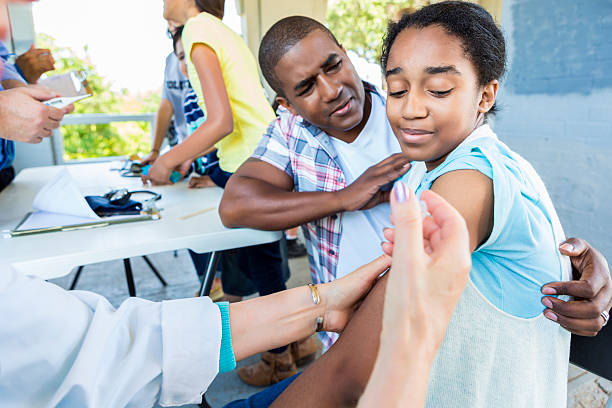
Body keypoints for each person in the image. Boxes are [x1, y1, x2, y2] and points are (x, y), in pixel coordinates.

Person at [263, 3, 612, 407]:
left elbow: (354, 370)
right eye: (397, 90)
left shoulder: (468, 179)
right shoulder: (427, 164)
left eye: (439, 90)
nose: (410, 108)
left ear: (486, 95)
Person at [151, 0, 309, 386]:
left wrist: (166, 161)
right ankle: (301, 342)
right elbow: (232, 117)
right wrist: (205, 166)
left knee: (264, 266)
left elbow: (220, 121)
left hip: (252, 160)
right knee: (265, 261)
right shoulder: (217, 29)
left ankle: (279, 360)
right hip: (254, 155)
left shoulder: (196, 31)